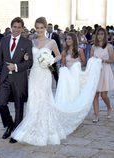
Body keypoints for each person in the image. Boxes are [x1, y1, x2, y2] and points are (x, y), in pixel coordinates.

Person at [11, 18, 102, 146]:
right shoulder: (32, 41)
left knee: (44, 99)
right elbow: (28, 57)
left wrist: (50, 61)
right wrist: (26, 57)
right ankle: (32, 126)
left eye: (41, 28)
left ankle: (44, 128)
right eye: (37, 28)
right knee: (34, 99)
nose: (39, 30)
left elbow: (59, 55)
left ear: (45, 28)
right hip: (34, 74)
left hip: (45, 74)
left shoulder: (52, 41)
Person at [0, 17, 33, 143]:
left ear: (22, 28)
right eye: (14, 27)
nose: (16, 29)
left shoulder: (27, 42)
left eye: (19, 27)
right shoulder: (4, 40)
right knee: (1, 103)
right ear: (11, 27)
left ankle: (17, 132)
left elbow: (30, 62)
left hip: (19, 78)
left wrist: (16, 66)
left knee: (19, 106)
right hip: (5, 77)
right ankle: (10, 125)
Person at [91, 27, 114, 123]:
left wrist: (104, 61)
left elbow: (113, 60)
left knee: (104, 95)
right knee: (95, 95)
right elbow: (91, 61)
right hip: (96, 72)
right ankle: (96, 114)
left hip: (105, 71)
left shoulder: (109, 47)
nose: (100, 36)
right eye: (98, 34)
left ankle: (109, 107)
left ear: (105, 35)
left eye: (102, 34)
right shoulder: (93, 47)